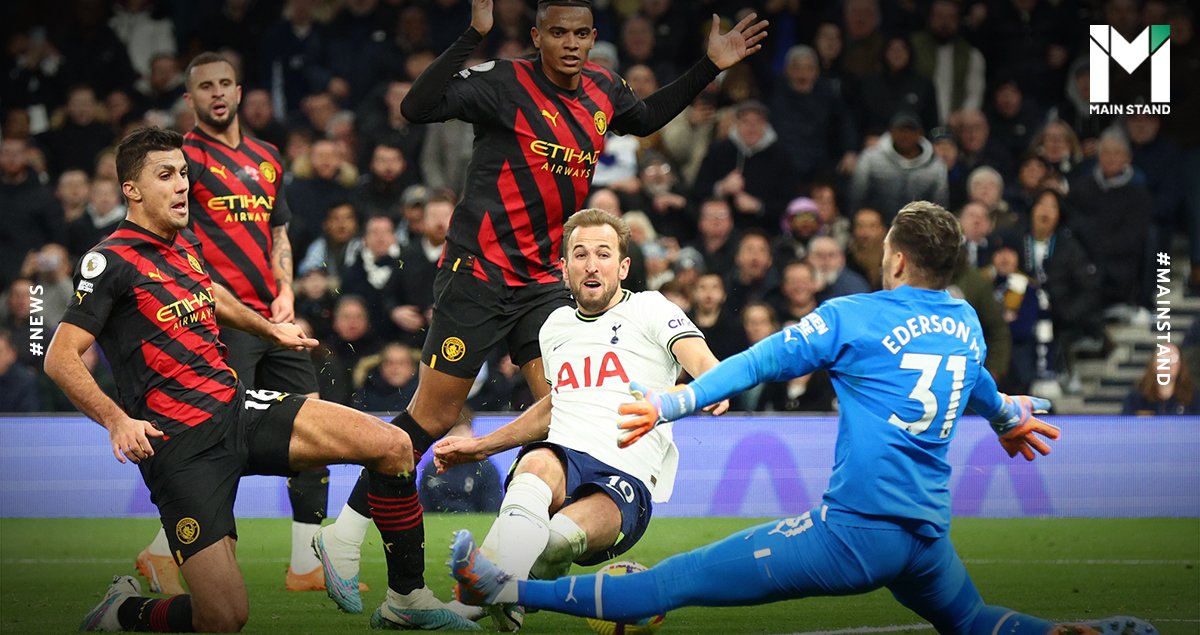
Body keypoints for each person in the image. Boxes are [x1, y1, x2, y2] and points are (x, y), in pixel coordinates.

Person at [450, 201, 1155, 635]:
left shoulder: (853, 316)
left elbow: (755, 363)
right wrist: (1004, 417)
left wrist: (671, 402)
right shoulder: (965, 321)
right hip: (926, 536)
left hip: (854, 534)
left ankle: (505, 586)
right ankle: (1077, 632)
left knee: (674, 581)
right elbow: (979, 382)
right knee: (971, 621)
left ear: (896, 259)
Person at [311, 0, 769, 627]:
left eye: (581, 33)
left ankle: (513, 581)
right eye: (558, 33)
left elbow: (645, 117)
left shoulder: (604, 89)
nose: (571, 43)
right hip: (478, 271)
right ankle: (342, 533)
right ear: (537, 36)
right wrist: (473, 34)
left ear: (593, 37)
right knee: (435, 415)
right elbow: (416, 108)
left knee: (561, 409)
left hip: (540, 284)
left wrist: (709, 67)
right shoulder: (505, 81)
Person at [46, 127, 425, 633]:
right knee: (223, 618)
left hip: (238, 408)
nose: (182, 185)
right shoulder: (108, 261)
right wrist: (117, 421)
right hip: (181, 446)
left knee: (393, 445)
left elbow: (211, 292)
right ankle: (121, 610)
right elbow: (59, 357)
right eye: (166, 175)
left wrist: (269, 328)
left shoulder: (185, 243)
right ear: (131, 189)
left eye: (184, 173)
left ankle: (407, 600)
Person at [433, 210, 728, 631]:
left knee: (556, 543)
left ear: (623, 267)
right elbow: (556, 405)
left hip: (627, 474)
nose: (592, 265)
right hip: (564, 454)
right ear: (564, 268)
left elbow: (699, 358)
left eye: (604, 254)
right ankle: (484, 594)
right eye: (581, 254)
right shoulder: (555, 327)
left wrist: (715, 384)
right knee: (536, 464)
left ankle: (501, 592)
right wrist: (481, 446)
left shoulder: (650, 308)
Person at [124, 51, 334, 598]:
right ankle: (164, 549)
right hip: (219, 321)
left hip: (273, 318)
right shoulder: (182, 161)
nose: (217, 93)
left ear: (240, 93)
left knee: (315, 431)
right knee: (221, 443)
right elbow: (174, 242)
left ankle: (306, 565)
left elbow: (278, 231)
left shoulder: (268, 156)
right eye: (205, 86)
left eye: (225, 84)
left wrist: (286, 288)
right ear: (189, 98)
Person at [1122, 343, 1198, 416]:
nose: (1167, 364)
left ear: (1180, 365)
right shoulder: (1136, 398)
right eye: (1162, 358)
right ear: (1153, 363)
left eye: (1173, 359)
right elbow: (1126, 423)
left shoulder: (1194, 398)